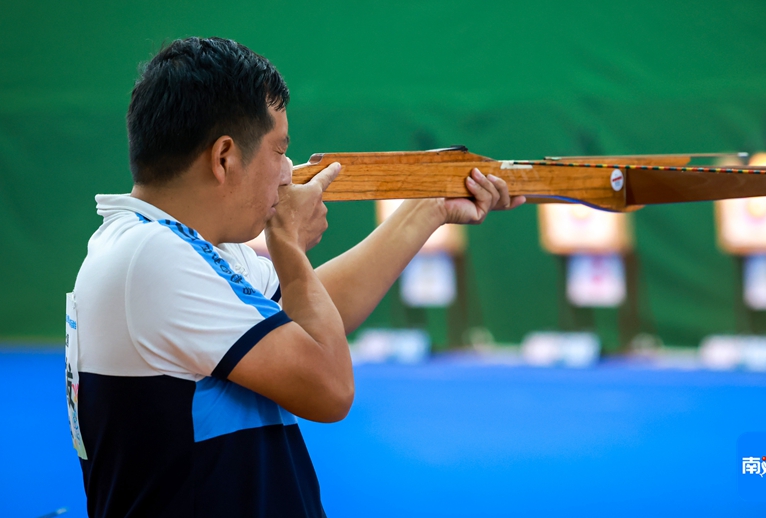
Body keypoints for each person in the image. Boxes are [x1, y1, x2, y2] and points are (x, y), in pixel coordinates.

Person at [68, 37, 524, 517]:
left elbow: (304, 317)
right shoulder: (152, 256)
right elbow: (330, 388)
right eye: (279, 150)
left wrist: (427, 210)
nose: (288, 172)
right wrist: (286, 243)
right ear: (225, 157)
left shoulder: (173, 246)